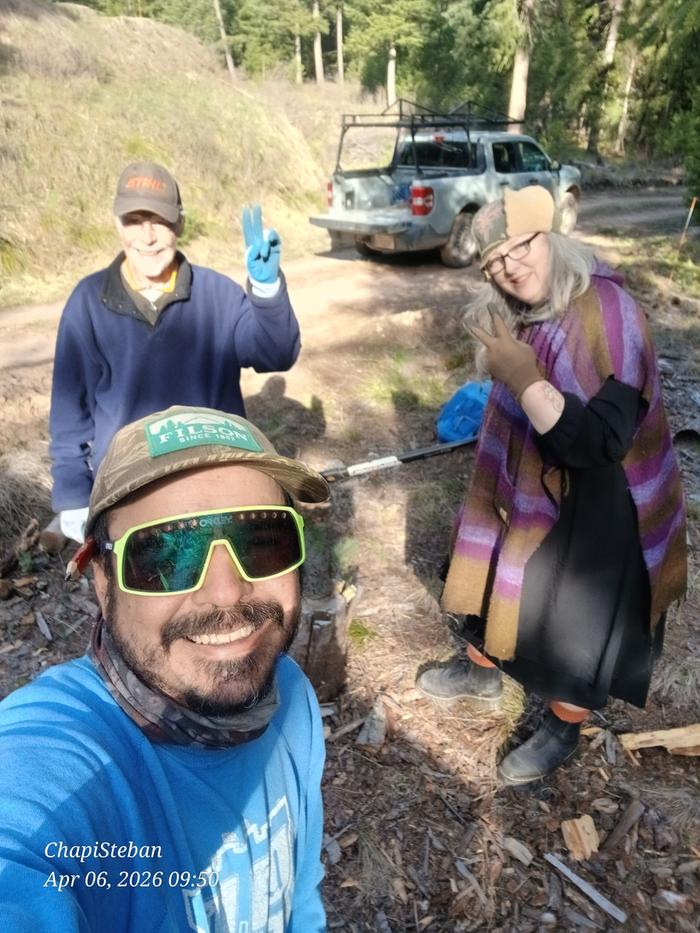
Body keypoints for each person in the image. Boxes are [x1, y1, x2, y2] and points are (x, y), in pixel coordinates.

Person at [0, 404, 330, 931]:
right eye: (164, 556)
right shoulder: (51, 763)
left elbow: (303, 901)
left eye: (262, 540)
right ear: (102, 581)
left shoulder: (291, 696)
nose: (226, 593)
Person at [417, 185, 687, 786]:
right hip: (526, 476)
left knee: (574, 617)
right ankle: (482, 671)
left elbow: (599, 445)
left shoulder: (610, 313)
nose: (511, 266)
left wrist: (525, 378)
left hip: (601, 501)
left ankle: (564, 725)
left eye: (521, 246)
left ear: (553, 237)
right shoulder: (522, 310)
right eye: (495, 261)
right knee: (496, 562)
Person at [50, 161, 301, 544]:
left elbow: (276, 353)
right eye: (134, 221)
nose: (148, 237)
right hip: (127, 491)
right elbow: (70, 409)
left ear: (180, 223)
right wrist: (72, 495)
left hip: (214, 482)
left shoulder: (218, 294)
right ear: (118, 225)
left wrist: (266, 289)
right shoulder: (88, 301)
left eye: (160, 221)